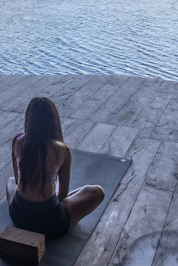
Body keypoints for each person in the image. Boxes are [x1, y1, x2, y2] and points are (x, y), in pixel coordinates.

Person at [6, 97, 105, 240]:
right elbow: (63, 194)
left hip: (18, 216)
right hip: (51, 224)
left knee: (10, 182)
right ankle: (68, 217)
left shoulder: (18, 141)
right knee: (97, 192)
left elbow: (16, 180)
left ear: (29, 120)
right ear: (53, 122)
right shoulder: (61, 149)